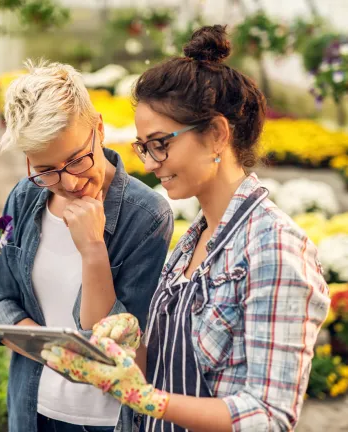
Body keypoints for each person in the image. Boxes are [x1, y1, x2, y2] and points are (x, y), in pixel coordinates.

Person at [42, 25, 330, 432]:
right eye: (143, 146)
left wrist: (147, 400)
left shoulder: (274, 249)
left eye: (160, 143)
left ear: (216, 135)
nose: (149, 163)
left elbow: (268, 414)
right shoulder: (192, 241)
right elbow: (156, 371)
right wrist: (122, 347)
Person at [0, 60, 174, 432]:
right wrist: (55, 354)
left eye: (76, 161)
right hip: (31, 408)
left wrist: (93, 251)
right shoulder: (24, 198)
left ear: (99, 128)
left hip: (104, 421)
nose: (68, 183)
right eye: (47, 169)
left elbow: (117, 348)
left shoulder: (146, 216)